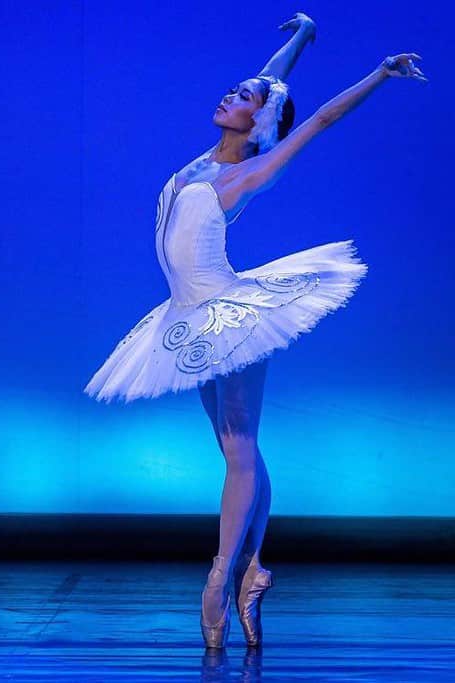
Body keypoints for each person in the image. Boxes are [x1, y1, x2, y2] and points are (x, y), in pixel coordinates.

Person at [82, 12, 427, 649]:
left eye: (242, 98)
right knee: (239, 452)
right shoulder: (201, 165)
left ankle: (220, 579)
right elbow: (270, 80)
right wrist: (302, 36)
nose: (230, 96)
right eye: (233, 89)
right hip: (186, 315)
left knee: (239, 450)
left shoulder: (247, 173)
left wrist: (379, 73)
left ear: (258, 121)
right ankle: (253, 570)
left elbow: (317, 119)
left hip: (228, 314)